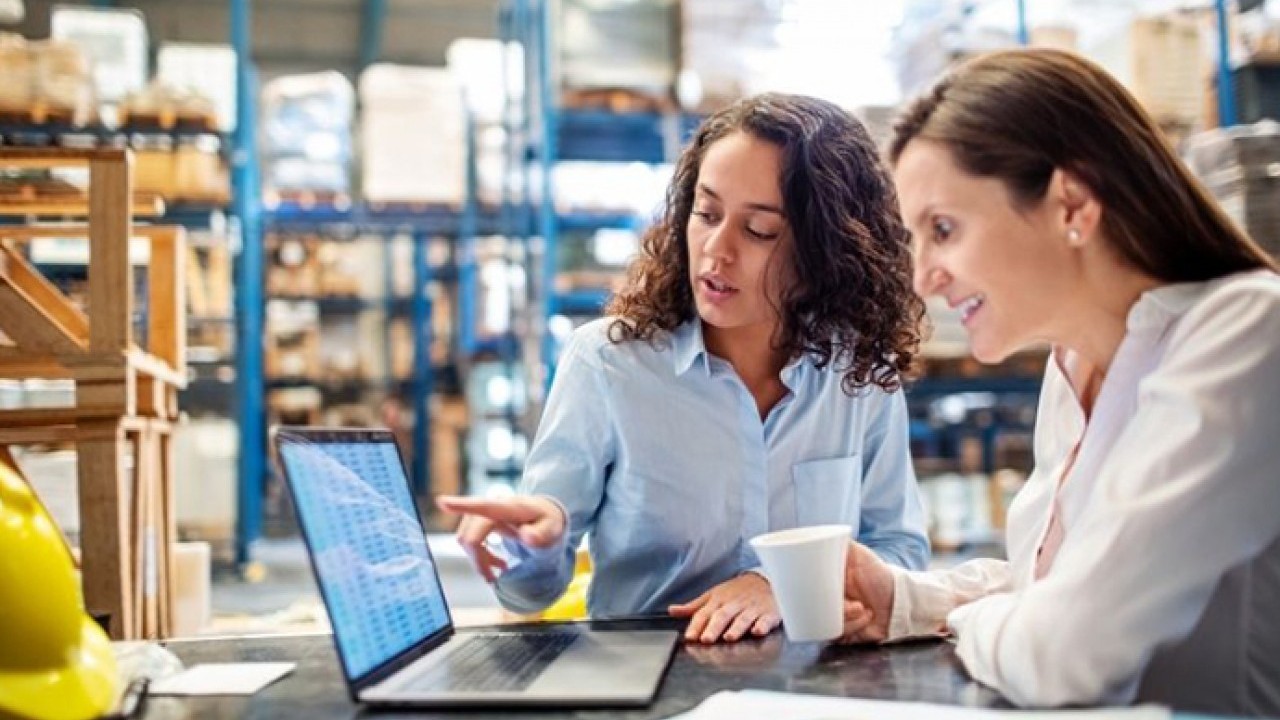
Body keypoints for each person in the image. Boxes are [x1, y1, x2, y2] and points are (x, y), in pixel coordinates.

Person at [839, 48, 1280, 716]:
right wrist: (906, 599)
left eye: (945, 229)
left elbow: (1063, 654)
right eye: (915, 241)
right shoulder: (1072, 366)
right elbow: (1058, 582)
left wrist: (967, 621)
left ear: (1071, 203)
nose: (923, 277)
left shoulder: (1245, 332)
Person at [438, 92, 929, 644]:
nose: (717, 250)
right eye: (706, 213)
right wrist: (537, 547)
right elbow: (529, 594)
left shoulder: (858, 373)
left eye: (759, 230)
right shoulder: (608, 364)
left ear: (826, 252)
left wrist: (779, 584)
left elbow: (901, 552)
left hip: (813, 681)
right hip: (648, 678)